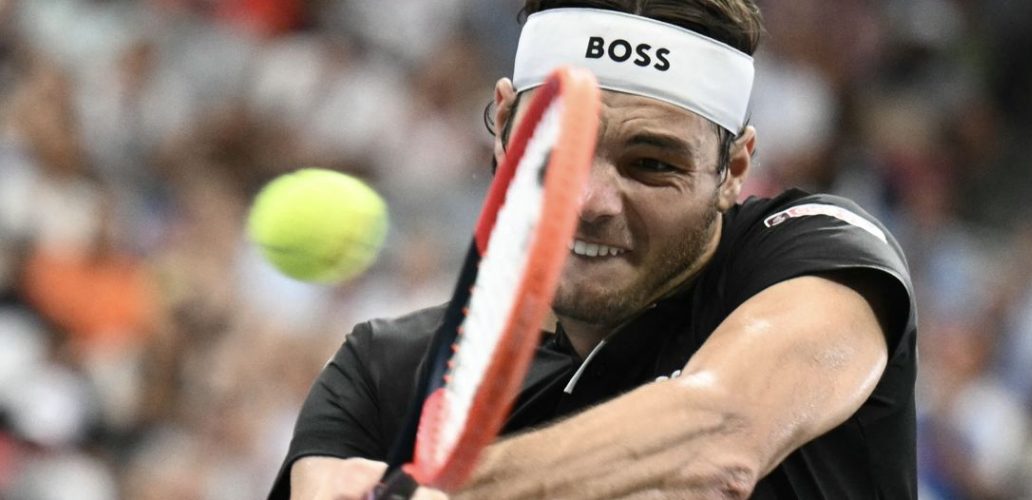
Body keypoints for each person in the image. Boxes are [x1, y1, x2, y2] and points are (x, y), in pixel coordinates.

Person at [269, 1, 917, 498]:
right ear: (502, 124)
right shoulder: (381, 370)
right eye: (558, 146)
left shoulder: (819, 253)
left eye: (651, 163)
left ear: (734, 169)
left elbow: (718, 437)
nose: (590, 200)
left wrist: (431, 488)